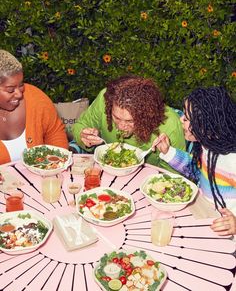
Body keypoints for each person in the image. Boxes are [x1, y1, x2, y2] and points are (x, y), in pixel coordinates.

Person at [153, 86, 236, 236]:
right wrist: (168, 152)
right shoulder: (206, 145)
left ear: (205, 126)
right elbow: (197, 171)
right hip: (203, 213)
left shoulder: (232, 160)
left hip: (224, 232)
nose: (180, 119)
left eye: (186, 118)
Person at [72, 75, 186, 173]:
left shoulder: (170, 125)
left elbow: (173, 173)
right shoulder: (105, 100)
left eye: (130, 121)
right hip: (106, 171)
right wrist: (84, 137)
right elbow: (80, 125)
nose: (121, 126)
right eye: (116, 117)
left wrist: (167, 154)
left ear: (147, 116)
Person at [0, 50, 68, 164]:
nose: (19, 94)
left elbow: (54, 132)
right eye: (10, 90)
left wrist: (56, 165)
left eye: (21, 85)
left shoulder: (36, 99)